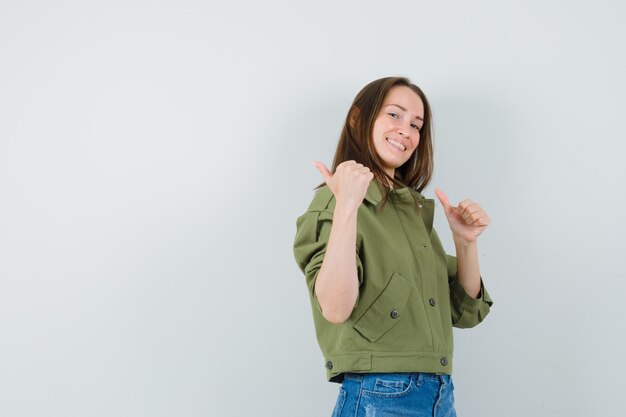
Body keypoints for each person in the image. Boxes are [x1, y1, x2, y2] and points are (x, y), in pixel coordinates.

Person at [292, 76, 494, 417]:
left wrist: (465, 242)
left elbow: (465, 313)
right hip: (380, 394)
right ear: (359, 119)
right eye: (395, 115)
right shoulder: (336, 202)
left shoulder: (410, 210)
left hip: (439, 394)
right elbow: (336, 307)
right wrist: (347, 206)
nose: (407, 130)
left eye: (416, 124)